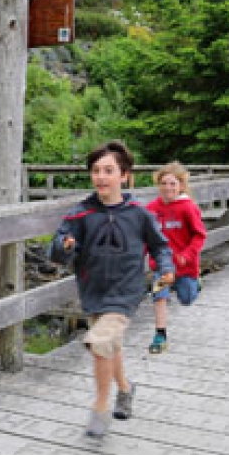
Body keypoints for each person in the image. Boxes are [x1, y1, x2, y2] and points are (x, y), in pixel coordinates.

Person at [49, 140, 174, 437]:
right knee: (110, 346)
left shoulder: (139, 213)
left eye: (108, 170)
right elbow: (55, 250)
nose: (101, 177)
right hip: (93, 290)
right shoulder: (80, 213)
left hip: (127, 289)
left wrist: (166, 268)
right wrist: (64, 246)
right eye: (96, 171)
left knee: (102, 342)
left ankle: (101, 406)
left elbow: (160, 246)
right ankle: (126, 390)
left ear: (124, 176)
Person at [145, 162, 207, 354]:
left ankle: (195, 283)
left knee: (186, 298)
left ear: (180, 185)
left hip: (185, 265)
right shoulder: (152, 209)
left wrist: (186, 256)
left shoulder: (187, 207)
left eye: (172, 183)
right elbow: (146, 236)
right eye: (164, 183)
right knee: (159, 296)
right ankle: (160, 334)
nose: (168, 188)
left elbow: (199, 235)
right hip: (162, 266)